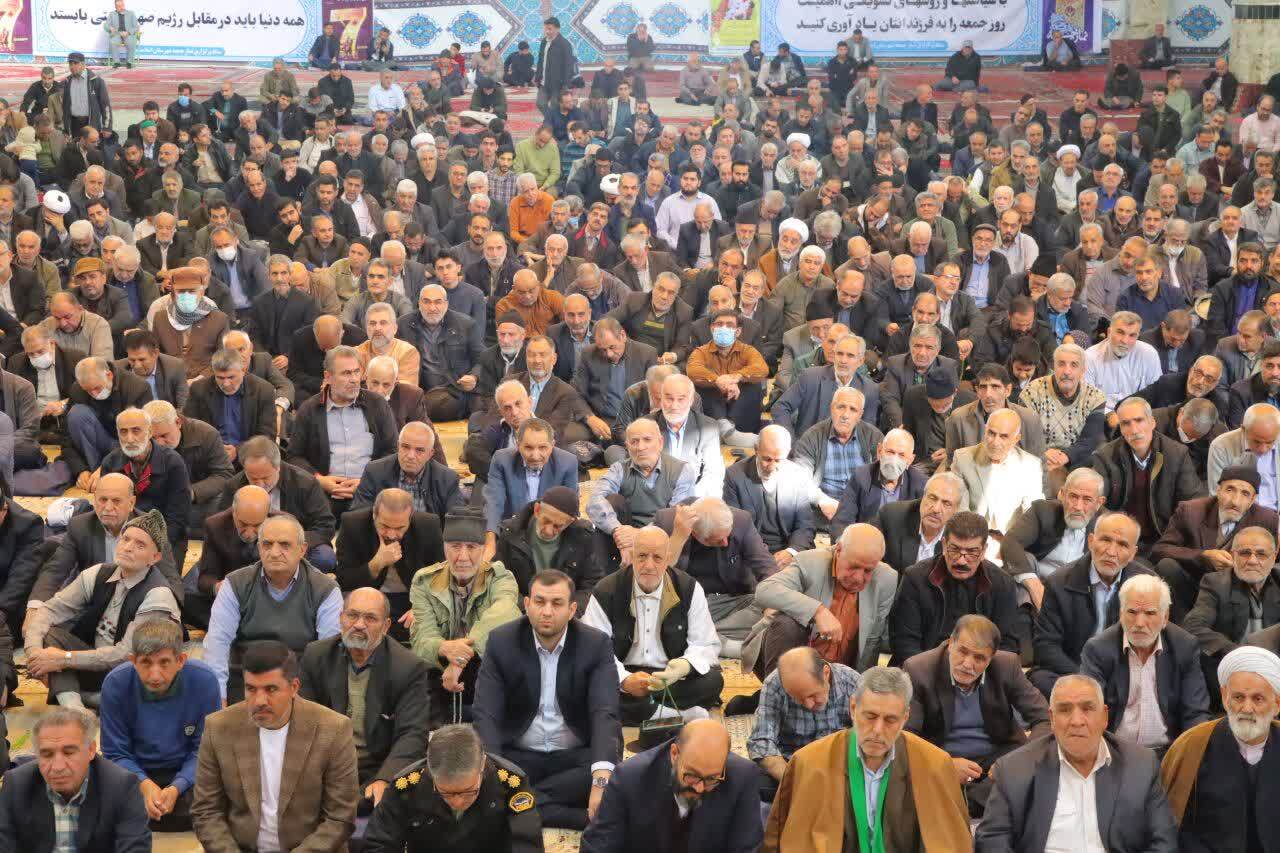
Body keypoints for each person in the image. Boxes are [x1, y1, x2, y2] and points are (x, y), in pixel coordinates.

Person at [473, 569, 620, 830]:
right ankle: (576, 818)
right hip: (519, 758)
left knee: (609, 774)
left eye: (557, 603)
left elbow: (604, 713)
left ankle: (517, 805)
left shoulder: (595, 644)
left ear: (572, 609)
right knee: (486, 780)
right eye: (539, 602)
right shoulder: (501, 641)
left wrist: (599, 782)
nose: (547, 611)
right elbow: (486, 714)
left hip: (575, 759)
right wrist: (493, 775)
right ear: (527, 604)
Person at [765, 665, 971, 851]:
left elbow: (951, 842)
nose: (878, 730)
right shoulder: (810, 762)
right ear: (853, 708)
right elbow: (785, 840)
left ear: (905, 718)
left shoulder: (933, 764)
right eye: (870, 716)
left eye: (890, 720)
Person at [975, 673, 1178, 851]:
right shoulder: (1014, 769)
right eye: (1065, 710)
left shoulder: (1141, 765)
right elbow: (992, 840)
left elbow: (1164, 841)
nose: (1077, 721)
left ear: (1104, 716)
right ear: (1052, 719)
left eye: (1087, 708)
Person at [191, 640, 359, 852]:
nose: (259, 700)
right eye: (251, 689)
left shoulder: (333, 729)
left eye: (271, 689)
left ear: (294, 687)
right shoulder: (219, 727)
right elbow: (206, 812)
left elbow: (339, 818)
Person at [22, 509, 179, 709]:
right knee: (49, 634)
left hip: (132, 673)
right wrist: (36, 655)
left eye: (140, 545)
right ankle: (75, 707)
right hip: (92, 662)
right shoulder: (98, 573)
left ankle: (85, 698)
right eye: (125, 539)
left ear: (155, 557)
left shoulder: (158, 595)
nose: (128, 548)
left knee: (60, 658)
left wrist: (64, 659)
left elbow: (126, 654)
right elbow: (49, 610)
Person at [903, 614, 1051, 816]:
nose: (968, 664)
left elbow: (1044, 718)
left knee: (1035, 768)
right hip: (944, 756)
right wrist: (944, 765)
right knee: (911, 776)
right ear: (950, 643)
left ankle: (962, 805)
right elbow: (907, 737)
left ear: (991, 658)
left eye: (979, 658)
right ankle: (983, 803)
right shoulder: (919, 669)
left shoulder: (1007, 665)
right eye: (963, 651)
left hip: (997, 759)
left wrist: (1017, 760)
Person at [298, 587, 431, 810]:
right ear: (341, 617)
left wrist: (385, 778)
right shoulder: (316, 655)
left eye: (370, 618)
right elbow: (303, 722)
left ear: (386, 626)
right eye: (352, 615)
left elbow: (412, 734)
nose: (359, 625)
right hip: (324, 765)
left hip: (376, 768)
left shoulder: (408, 667)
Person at [580, 525, 724, 724]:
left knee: (713, 682)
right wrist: (624, 680)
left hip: (669, 677)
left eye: (657, 558)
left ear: (668, 559)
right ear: (632, 555)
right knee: (585, 686)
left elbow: (705, 644)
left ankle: (641, 710)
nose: (648, 565)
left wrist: (684, 665)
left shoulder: (689, 588)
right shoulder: (606, 590)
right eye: (642, 556)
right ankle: (674, 714)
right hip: (624, 673)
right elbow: (594, 650)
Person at [202, 513, 342, 703]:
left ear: (302, 549)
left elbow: (328, 655)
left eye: (284, 545)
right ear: (259, 548)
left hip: (300, 688)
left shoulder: (325, 590)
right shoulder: (235, 584)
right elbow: (217, 644)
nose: (275, 552)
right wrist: (219, 698)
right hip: (245, 683)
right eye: (267, 544)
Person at [99, 619, 221, 832]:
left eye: (164, 663)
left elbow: (205, 750)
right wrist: (144, 784)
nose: (155, 675)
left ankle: (143, 815)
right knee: (94, 785)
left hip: (187, 773)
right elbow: (115, 753)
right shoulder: (115, 683)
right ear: (133, 661)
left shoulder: (204, 680)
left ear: (180, 660)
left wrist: (177, 787)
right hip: (136, 771)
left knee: (226, 786)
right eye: (146, 663)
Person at [1159, 645, 1280, 852]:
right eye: (1238, 697)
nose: (1247, 708)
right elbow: (1173, 822)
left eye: (1258, 699)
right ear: (1224, 697)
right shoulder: (1192, 745)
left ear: (1277, 704)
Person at [743, 523, 897, 682]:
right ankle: (778, 690)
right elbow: (765, 590)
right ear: (838, 550)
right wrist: (818, 611)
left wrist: (860, 686)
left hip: (838, 671)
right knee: (787, 624)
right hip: (790, 657)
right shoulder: (810, 561)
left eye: (868, 570)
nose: (858, 578)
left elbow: (872, 642)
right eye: (853, 567)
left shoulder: (886, 579)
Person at [581, 718, 763, 853]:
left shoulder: (743, 778)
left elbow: (746, 848)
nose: (699, 788)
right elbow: (597, 847)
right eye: (692, 775)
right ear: (675, 754)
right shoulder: (630, 777)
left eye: (711, 779)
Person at [410, 511, 521, 726]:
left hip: (485, 666)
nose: (462, 557)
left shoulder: (500, 577)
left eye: (471, 547)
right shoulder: (424, 581)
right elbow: (422, 638)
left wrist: (460, 658)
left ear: (483, 549)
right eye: (455, 546)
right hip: (440, 667)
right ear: (444, 548)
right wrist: (445, 648)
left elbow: (505, 612)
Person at [1079, 574, 1212, 753]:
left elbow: (1195, 712)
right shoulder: (1098, 649)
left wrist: (1190, 753)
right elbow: (1088, 709)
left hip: (1168, 752)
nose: (1139, 623)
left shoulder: (1184, 646)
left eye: (1150, 613)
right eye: (1132, 612)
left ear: (1165, 617)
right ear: (1121, 614)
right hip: (1115, 752)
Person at [365, 722, 543, 852]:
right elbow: (379, 844)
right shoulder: (406, 787)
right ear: (430, 771)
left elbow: (527, 844)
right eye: (446, 793)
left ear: (482, 765)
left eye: (469, 791)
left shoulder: (511, 783)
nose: (457, 802)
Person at [1031, 512, 1155, 697]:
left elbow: (1155, 643)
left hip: (1124, 674)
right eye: (1105, 540)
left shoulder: (1148, 585)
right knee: (1041, 680)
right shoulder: (1058, 582)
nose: (1111, 552)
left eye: (1122, 545)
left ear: (1133, 554)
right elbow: (1046, 646)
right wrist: (1086, 678)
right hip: (1074, 670)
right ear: (1090, 541)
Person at [0, 708, 151, 851]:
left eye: (69, 753)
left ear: (91, 750)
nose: (58, 766)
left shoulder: (122, 786)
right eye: (47, 755)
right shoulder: (16, 784)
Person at [888, 511, 1021, 665]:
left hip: (977, 669)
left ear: (984, 551)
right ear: (944, 545)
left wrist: (975, 672)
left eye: (972, 552)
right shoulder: (915, 578)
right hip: (922, 668)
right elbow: (904, 643)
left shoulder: (1003, 584)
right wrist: (929, 674)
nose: (961, 561)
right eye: (955, 549)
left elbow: (1007, 646)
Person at [1151, 465, 1279, 622]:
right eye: (1230, 490)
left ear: (1253, 500)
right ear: (1218, 491)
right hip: (1193, 584)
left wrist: (1242, 564)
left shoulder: (1267, 519)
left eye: (1245, 494)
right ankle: (1183, 625)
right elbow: (1160, 550)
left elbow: (1273, 561)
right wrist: (1203, 556)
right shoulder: (1190, 511)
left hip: (1237, 588)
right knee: (1167, 566)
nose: (1235, 501)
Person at [747, 647, 860, 801]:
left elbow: (868, 739)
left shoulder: (852, 682)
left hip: (840, 768)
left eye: (813, 695)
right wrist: (794, 781)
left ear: (826, 673)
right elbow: (761, 742)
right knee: (748, 784)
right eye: (798, 697)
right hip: (791, 766)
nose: (808, 704)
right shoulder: (775, 683)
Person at [333, 488, 444, 639]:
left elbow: (440, 576)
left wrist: (422, 606)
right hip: (369, 597)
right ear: (374, 515)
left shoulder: (428, 525)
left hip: (412, 598)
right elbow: (344, 580)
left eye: (400, 528)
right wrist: (376, 564)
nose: (391, 535)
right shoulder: (353, 523)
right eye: (384, 526)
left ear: (410, 518)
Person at [1184, 525, 1280, 696]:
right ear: (1233, 555)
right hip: (1231, 668)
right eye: (1245, 553)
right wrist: (1239, 653)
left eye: (1261, 554)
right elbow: (1194, 627)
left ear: (1273, 558)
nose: (1252, 560)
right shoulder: (1215, 583)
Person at [722, 424, 816, 564]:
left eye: (778, 460)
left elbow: (805, 525)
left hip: (789, 550)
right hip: (750, 552)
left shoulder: (798, 475)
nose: (772, 467)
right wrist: (763, 558)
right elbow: (734, 527)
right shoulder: (734, 476)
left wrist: (791, 551)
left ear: (788, 453)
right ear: (756, 450)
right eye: (767, 459)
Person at [351, 420, 464, 522]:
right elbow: (359, 519)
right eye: (405, 447)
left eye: (419, 450)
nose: (410, 456)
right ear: (398, 446)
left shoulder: (447, 479)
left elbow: (457, 524)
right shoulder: (374, 471)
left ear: (430, 454)